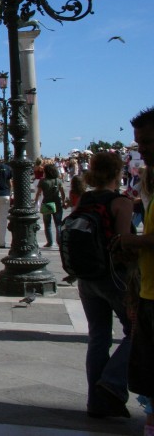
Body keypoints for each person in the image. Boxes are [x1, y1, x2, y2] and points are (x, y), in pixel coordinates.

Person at [70, 151, 135, 420]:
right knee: (137, 331)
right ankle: (111, 382)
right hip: (113, 276)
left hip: (87, 277)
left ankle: (95, 402)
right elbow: (123, 243)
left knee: (98, 337)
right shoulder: (121, 202)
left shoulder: (85, 198)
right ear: (118, 172)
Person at [123, 107, 154, 434]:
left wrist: (133, 242)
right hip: (148, 291)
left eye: (147, 142)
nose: (140, 150)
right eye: (138, 144)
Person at [34, 162, 67, 248]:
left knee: (47, 224)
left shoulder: (43, 181)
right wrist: (63, 201)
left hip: (47, 203)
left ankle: (49, 242)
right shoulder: (58, 180)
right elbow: (62, 193)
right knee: (58, 224)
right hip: (57, 203)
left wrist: (36, 202)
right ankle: (59, 241)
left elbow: (38, 193)